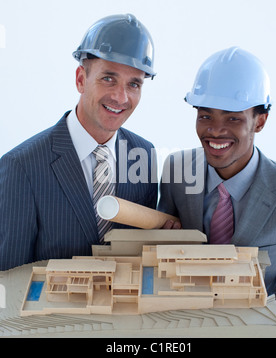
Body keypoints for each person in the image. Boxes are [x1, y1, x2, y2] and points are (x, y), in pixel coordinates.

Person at [158, 47, 276, 333]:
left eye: (233, 118)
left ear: (260, 120)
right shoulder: (176, 170)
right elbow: (157, 243)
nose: (215, 131)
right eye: (205, 116)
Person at [0, 14, 158, 271]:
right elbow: (8, 279)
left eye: (134, 84)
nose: (121, 97)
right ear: (81, 79)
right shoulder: (21, 167)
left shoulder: (143, 155)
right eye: (108, 78)